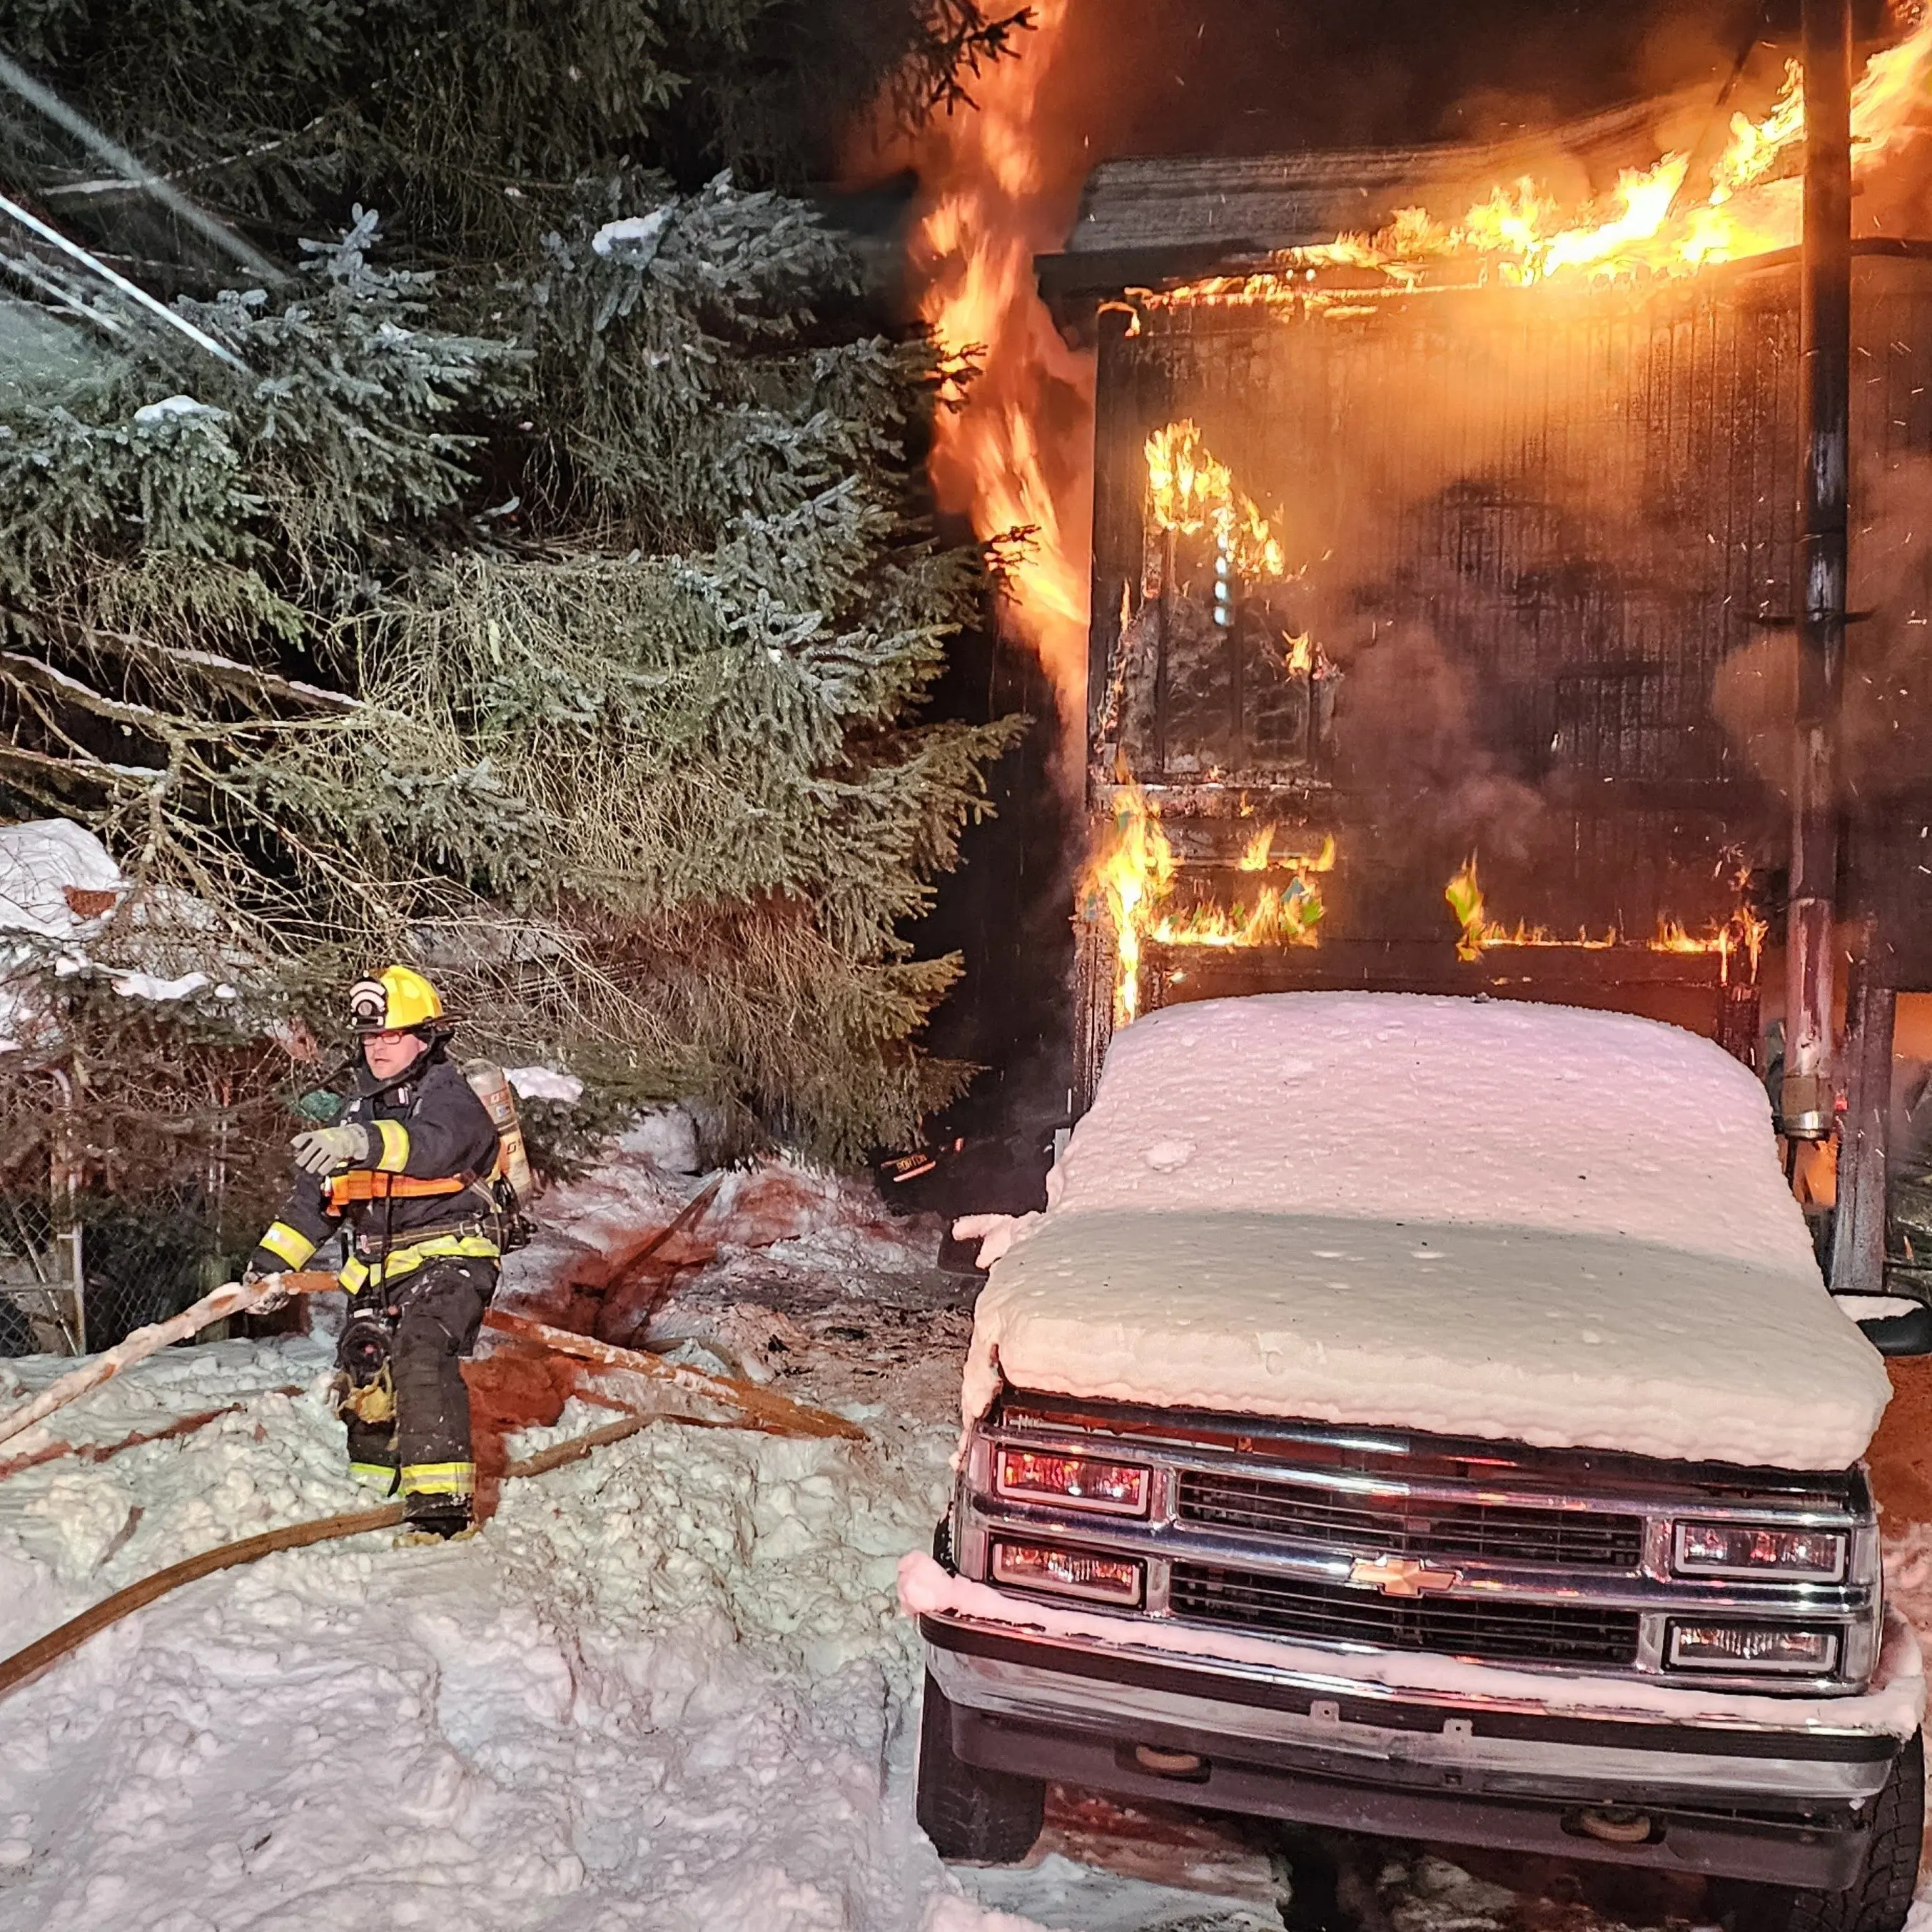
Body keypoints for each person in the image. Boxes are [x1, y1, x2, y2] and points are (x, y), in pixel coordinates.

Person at [247, 965, 502, 1539]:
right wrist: (267, 1268)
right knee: (366, 1359)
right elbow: (313, 1204)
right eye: (369, 1037)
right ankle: (370, 1484)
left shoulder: (451, 1096)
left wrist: (362, 1143)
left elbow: (437, 1146)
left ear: (426, 1038)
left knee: (421, 1346)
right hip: (380, 1267)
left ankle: (440, 1507)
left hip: (451, 1253)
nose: (378, 1048)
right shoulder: (354, 1110)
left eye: (391, 1035)